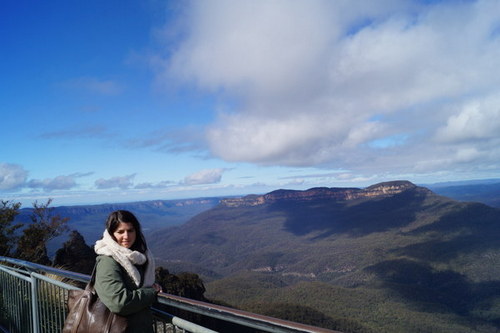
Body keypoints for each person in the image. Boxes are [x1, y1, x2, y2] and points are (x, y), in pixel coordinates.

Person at [94, 210, 162, 333]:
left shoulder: (138, 257)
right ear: (111, 234)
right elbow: (119, 302)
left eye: (130, 230)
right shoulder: (108, 261)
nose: (126, 236)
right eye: (120, 232)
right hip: (120, 328)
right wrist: (151, 292)